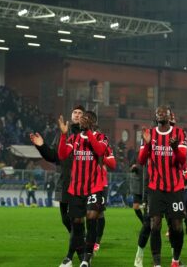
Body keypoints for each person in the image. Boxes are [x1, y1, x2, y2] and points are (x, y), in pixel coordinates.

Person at [57, 110, 116, 267]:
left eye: (86, 119)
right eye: (82, 119)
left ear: (93, 122)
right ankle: (75, 256)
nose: (82, 121)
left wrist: (88, 132)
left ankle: (86, 259)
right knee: (76, 224)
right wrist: (63, 135)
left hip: (94, 187)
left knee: (91, 218)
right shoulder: (73, 138)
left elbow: (99, 150)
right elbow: (62, 155)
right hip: (76, 188)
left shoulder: (101, 138)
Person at [29, 104, 84, 267]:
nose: (77, 115)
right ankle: (82, 249)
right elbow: (53, 156)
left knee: (75, 221)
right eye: (75, 112)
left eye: (80, 113)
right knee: (66, 220)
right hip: (63, 181)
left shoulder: (87, 135)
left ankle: (71, 258)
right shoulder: (62, 133)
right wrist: (41, 146)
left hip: (80, 183)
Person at [137, 105, 187, 267]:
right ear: (155, 116)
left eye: (163, 113)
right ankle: (156, 263)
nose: (160, 114)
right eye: (158, 112)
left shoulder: (179, 133)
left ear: (169, 116)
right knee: (155, 224)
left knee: (177, 226)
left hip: (175, 188)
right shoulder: (149, 134)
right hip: (156, 188)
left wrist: (174, 148)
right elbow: (142, 160)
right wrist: (147, 145)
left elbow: (182, 160)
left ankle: (175, 260)